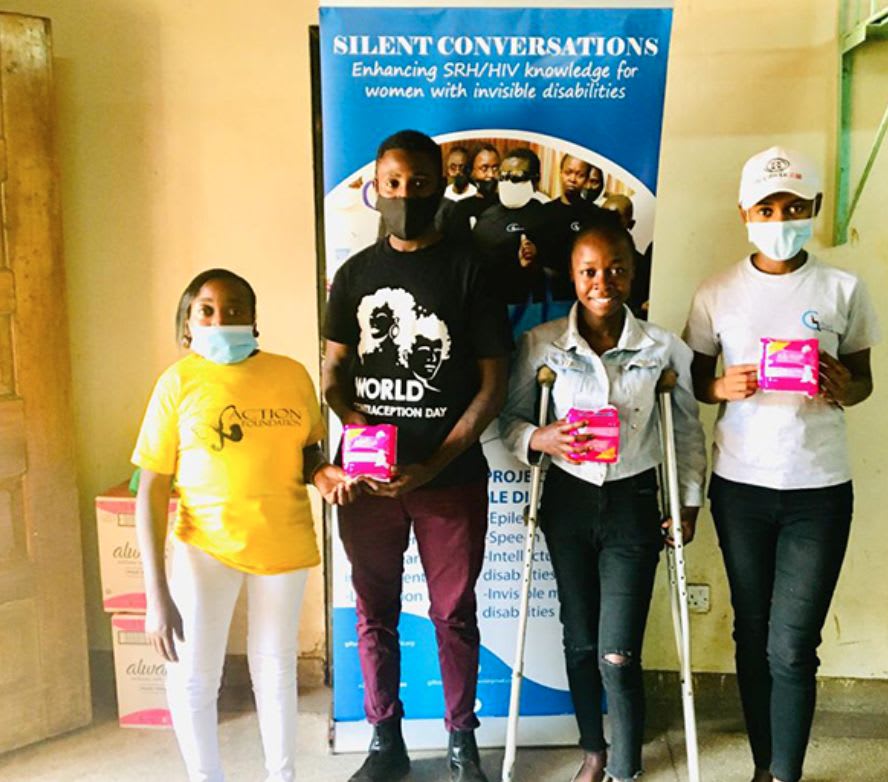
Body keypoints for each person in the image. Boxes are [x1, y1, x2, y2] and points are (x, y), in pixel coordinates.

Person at [683, 146, 880, 782]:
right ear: (745, 211)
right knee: (752, 632)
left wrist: (840, 384)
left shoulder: (842, 288)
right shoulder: (717, 292)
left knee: (792, 647)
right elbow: (690, 381)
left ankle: (784, 775)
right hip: (740, 487)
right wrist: (720, 390)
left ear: (815, 208)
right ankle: (764, 765)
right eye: (768, 207)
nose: (781, 217)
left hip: (818, 489)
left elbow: (865, 383)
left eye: (795, 206)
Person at [323, 129, 512, 782]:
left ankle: (463, 744)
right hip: (369, 484)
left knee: (453, 616)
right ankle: (385, 742)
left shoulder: (470, 268)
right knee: (372, 611)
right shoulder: (353, 276)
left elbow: (494, 384)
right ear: (376, 189)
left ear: (439, 186)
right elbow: (334, 375)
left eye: (420, 183)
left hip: (450, 479)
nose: (406, 195)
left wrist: (433, 463)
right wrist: (357, 435)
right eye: (395, 183)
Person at [500, 222, 706, 782]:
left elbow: (684, 433)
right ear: (572, 275)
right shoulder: (541, 344)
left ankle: (625, 760)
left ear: (633, 271)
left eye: (615, 268)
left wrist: (688, 501)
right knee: (581, 637)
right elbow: (511, 420)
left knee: (617, 649)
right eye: (589, 270)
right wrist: (539, 439)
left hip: (632, 500)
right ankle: (593, 749)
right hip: (567, 500)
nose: (602, 281)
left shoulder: (664, 349)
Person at [133, 268, 356, 782]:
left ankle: (283, 775)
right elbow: (151, 487)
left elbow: (308, 452)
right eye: (207, 309)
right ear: (187, 323)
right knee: (193, 677)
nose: (221, 318)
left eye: (235, 309)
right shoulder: (177, 383)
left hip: (283, 541)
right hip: (202, 547)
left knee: (275, 669)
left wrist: (323, 476)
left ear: (255, 320)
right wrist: (155, 594)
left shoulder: (291, 374)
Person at [471, 147, 550, 306]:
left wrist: (535, 263)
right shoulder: (486, 219)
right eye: (504, 177)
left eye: (516, 178)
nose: (507, 183)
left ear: (535, 179)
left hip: (532, 307)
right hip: (493, 305)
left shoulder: (548, 217)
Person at [539, 154, 615, 301]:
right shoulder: (544, 212)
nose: (572, 179)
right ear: (561, 172)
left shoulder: (596, 216)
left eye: (579, 175)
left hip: (586, 292)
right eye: (568, 172)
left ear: (587, 179)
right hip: (550, 292)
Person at [601, 193, 651, 320]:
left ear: (630, 224)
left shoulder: (641, 265)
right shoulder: (588, 261)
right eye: (604, 217)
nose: (608, 224)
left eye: (615, 219)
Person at [439, 143, 501, 244]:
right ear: (471, 171)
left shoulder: (503, 203)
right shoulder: (460, 208)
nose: (491, 174)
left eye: (495, 168)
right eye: (484, 169)